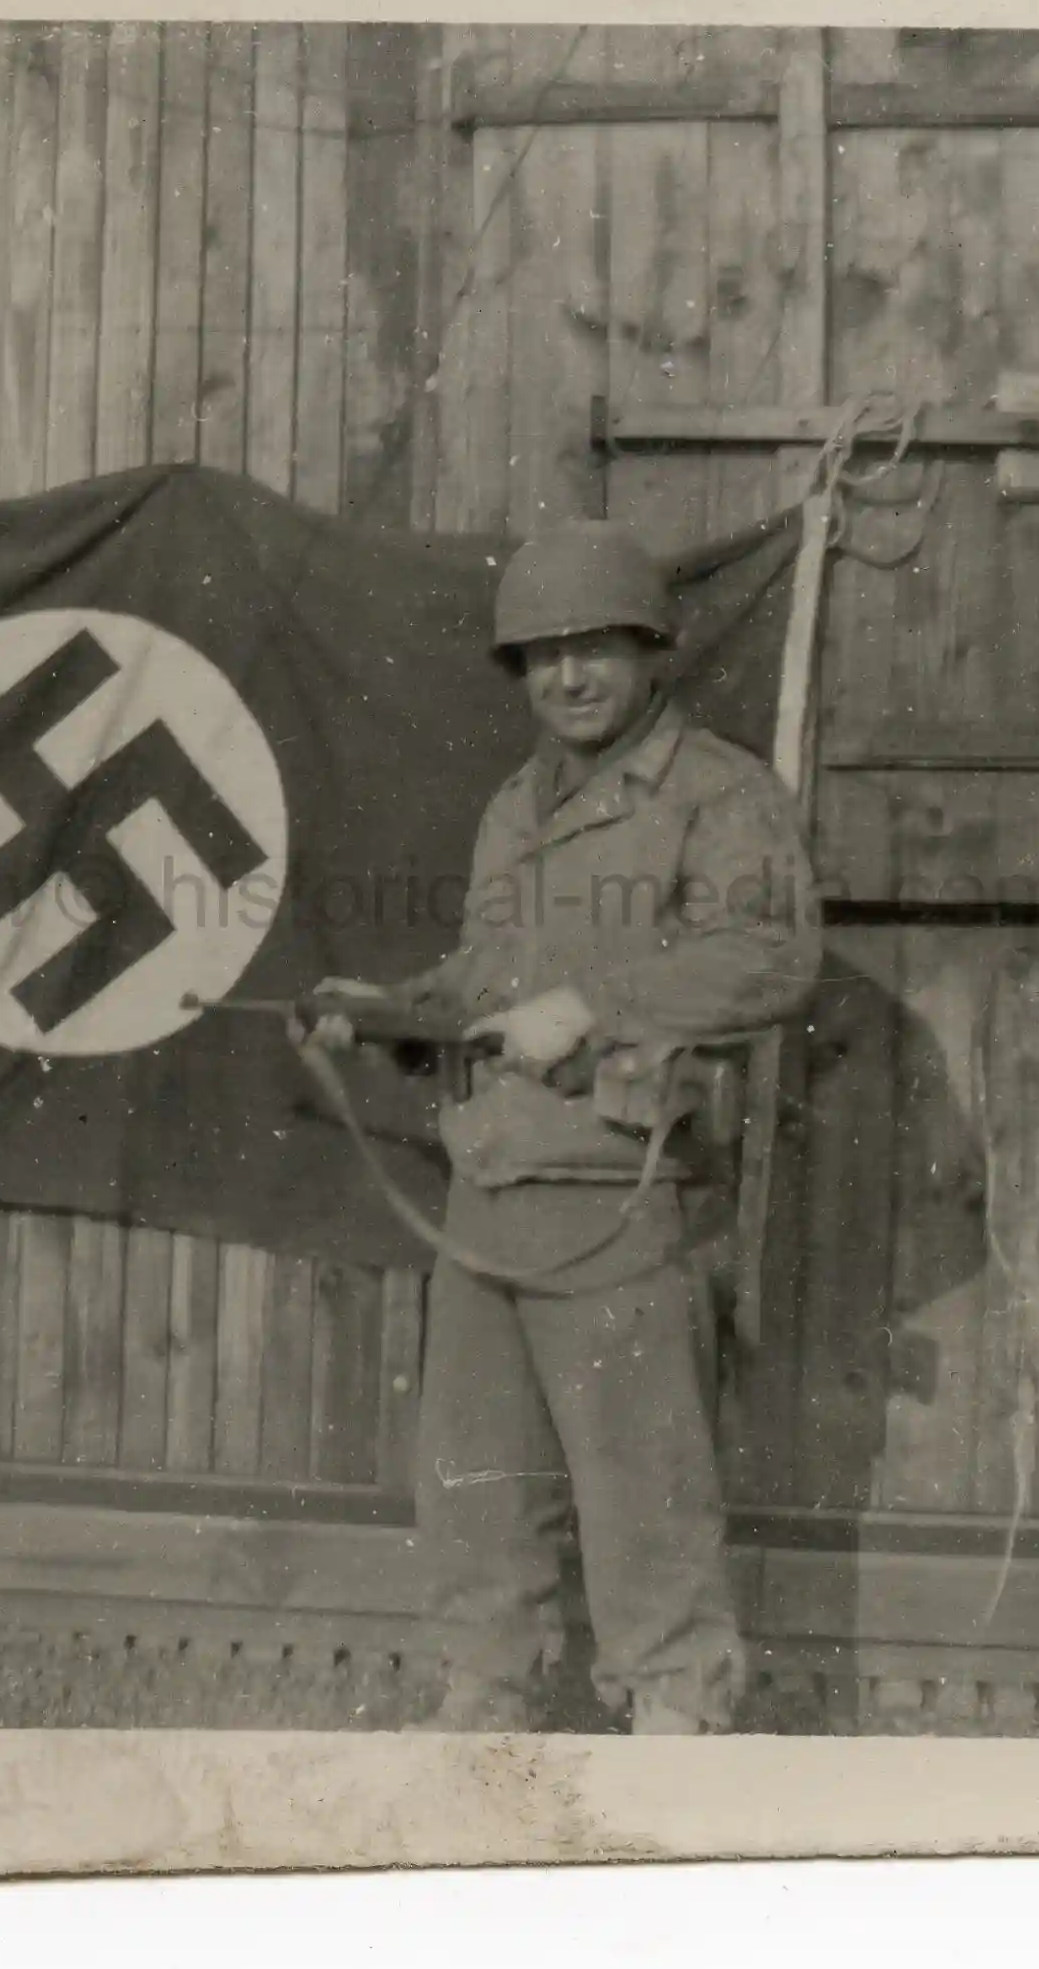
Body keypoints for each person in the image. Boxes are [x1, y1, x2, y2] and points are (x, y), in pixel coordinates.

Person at [306, 519, 821, 1734]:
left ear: (651, 653)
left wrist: (596, 1002)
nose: (568, 677)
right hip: (492, 1184)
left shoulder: (716, 791)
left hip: (617, 1198)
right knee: (475, 1492)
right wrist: (386, 1012)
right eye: (541, 656)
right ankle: (488, 1700)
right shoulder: (513, 806)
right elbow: (490, 975)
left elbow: (771, 954)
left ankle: (674, 1718)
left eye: (594, 649)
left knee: (643, 1491)